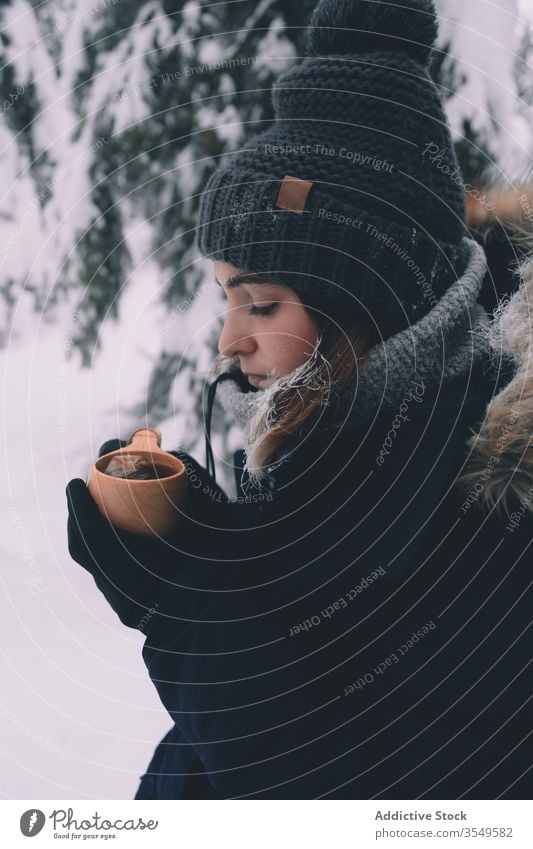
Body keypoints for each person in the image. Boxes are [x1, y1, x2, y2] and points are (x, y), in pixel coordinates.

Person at [66, 0, 533, 799]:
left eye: (260, 304)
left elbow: (348, 794)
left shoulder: (491, 498)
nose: (226, 341)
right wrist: (226, 549)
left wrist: (188, 607)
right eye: (224, 300)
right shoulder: (357, 434)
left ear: (369, 299)